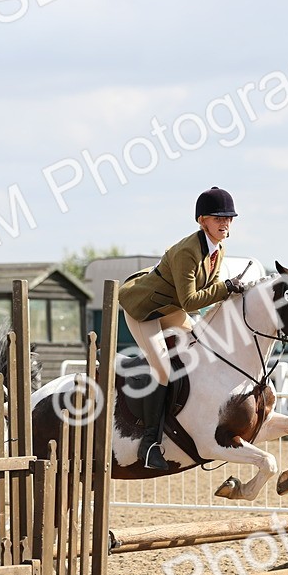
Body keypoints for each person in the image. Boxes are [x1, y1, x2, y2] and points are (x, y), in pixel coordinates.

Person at [117, 187, 248, 469]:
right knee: (163, 367)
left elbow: (206, 290)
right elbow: (190, 301)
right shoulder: (189, 251)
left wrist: (231, 289)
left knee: (202, 344)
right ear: (202, 220)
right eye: (218, 218)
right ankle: (149, 444)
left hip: (169, 308)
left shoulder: (218, 248)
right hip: (144, 310)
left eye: (229, 218)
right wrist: (226, 288)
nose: (225, 223)